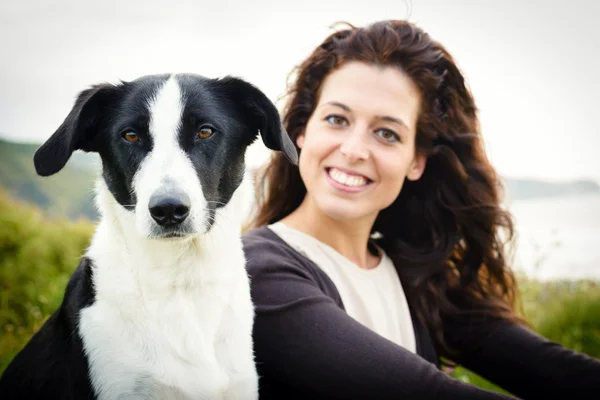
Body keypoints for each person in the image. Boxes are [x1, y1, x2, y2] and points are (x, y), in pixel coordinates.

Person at [241, 20, 600, 399]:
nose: (353, 149)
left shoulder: (415, 276)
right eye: (337, 119)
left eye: (387, 133)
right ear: (301, 132)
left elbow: (555, 370)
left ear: (416, 161)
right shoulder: (257, 269)